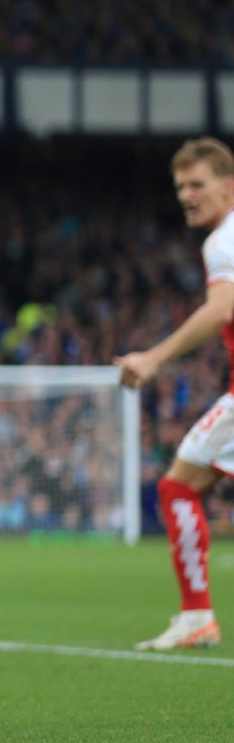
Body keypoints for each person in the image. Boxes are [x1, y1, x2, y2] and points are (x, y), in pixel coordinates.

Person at [116, 136, 234, 652]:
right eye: (180, 186)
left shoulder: (224, 240)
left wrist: (152, 357)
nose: (187, 195)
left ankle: (196, 616)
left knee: (177, 486)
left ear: (228, 188)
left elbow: (221, 309)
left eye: (197, 184)